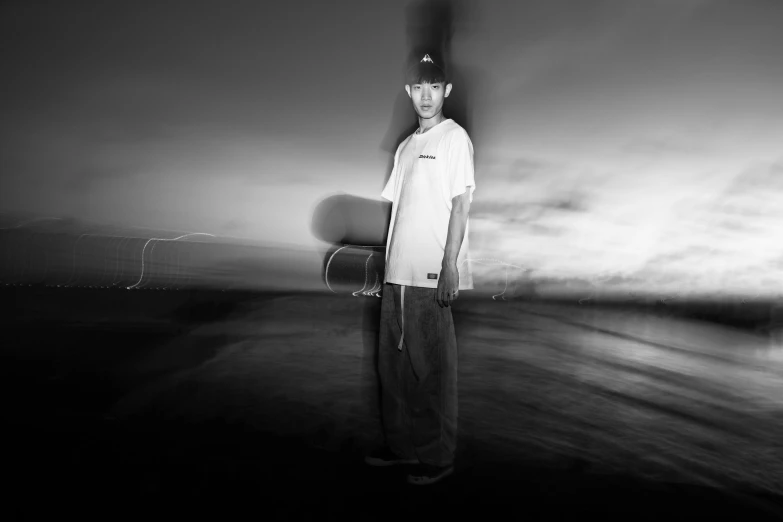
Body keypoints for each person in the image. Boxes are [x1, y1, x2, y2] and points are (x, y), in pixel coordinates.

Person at [364, 53, 475, 486]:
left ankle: (438, 457)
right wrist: (385, 266)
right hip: (396, 276)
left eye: (434, 86)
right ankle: (400, 449)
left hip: (431, 274)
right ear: (409, 92)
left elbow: (461, 205)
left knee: (432, 372)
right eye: (418, 87)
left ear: (446, 91)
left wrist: (449, 265)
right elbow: (399, 211)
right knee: (390, 371)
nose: (426, 95)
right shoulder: (406, 147)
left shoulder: (454, 139)